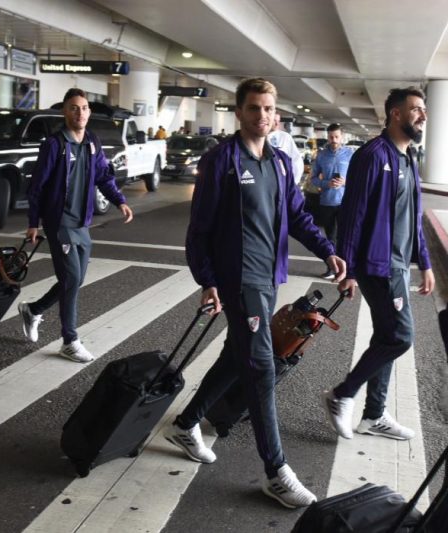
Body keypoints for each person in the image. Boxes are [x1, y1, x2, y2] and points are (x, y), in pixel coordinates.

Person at [162, 78, 346, 509]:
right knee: (262, 368)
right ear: (239, 113)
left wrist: (328, 251)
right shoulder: (221, 161)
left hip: (267, 277)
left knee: (235, 355)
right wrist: (207, 279)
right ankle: (276, 471)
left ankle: (187, 424)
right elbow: (200, 229)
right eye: (253, 108)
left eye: (267, 109)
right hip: (237, 278)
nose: (261, 116)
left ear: (275, 113)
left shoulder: (281, 163)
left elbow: (298, 216)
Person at [322, 87, 434, 441]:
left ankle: (373, 415)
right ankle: (342, 394)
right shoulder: (373, 155)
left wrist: (426, 263)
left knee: (387, 335)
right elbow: (352, 215)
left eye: (424, 109)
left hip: (399, 264)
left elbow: (414, 219)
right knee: (401, 337)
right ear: (395, 114)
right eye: (416, 109)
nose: (423, 115)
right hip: (377, 264)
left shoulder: (408, 156)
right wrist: (348, 270)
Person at [18, 88, 134, 363]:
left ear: (89, 112)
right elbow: (38, 186)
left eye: (83, 108)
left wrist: (120, 201)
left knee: (75, 280)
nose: (79, 112)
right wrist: (34, 222)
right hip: (60, 223)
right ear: (64, 112)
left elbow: (104, 176)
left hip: (82, 223)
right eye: (73, 108)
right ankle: (69, 340)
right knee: (71, 279)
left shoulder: (92, 142)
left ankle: (34, 309)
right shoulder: (55, 145)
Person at [310, 124, 354, 279]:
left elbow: (358, 178)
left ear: (342, 136)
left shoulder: (350, 154)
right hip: (327, 202)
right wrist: (326, 183)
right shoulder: (321, 155)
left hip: (345, 202)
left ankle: (347, 270)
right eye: (331, 137)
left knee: (345, 237)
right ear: (328, 137)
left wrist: (345, 182)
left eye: (336, 137)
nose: (334, 140)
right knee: (330, 237)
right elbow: (314, 179)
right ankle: (331, 268)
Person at [267, 113, 304, 185]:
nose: (277, 123)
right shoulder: (258, 137)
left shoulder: (285, 137)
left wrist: (294, 182)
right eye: (274, 120)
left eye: (278, 121)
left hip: (282, 181)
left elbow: (297, 161)